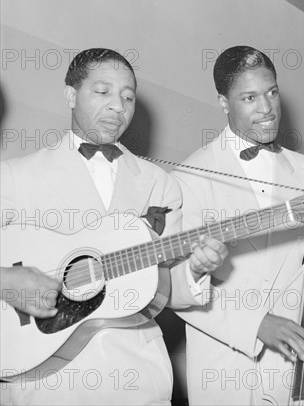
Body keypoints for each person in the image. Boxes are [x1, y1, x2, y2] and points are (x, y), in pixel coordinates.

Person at [0, 48, 228, 405]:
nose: (118, 106)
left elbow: (170, 291)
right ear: (71, 95)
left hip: (136, 378)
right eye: (103, 91)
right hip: (44, 382)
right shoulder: (14, 176)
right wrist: (6, 280)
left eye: (127, 97)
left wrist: (196, 269)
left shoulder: (159, 183)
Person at [171, 46, 304, 405]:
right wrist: (255, 323)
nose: (267, 108)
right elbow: (176, 285)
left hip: (297, 368)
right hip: (226, 374)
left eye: (272, 92)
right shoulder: (188, 178)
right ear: (224, 103)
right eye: (249, 97)